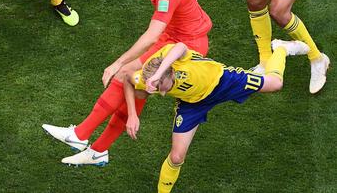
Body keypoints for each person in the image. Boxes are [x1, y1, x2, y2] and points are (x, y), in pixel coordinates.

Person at [42, 0, 212, 166]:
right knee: (136, 88)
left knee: (125, 75)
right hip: (176, 35)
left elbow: (152, 36)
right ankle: (97, 149)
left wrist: (117, 62)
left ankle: (80, 135)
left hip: (186, 44)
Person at [122, 39, 310, 192]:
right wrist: (132, 115)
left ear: (169, 73)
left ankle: (281, 49)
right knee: (177, 156)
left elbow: (180, 46)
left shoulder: (174, 59)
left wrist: (161, 72)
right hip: (192, 103)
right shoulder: (148, 77)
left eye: (161, 86)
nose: (159, 92)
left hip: (222, 81)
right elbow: (127, 79)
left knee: (275, 84)